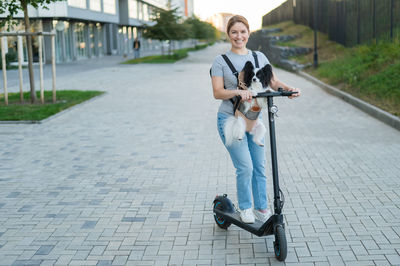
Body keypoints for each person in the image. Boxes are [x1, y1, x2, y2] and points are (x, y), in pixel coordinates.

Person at [210, 15, 301, 224]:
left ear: (248, 33)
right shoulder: (220, 61)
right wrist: (237, 92)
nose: (238, 36)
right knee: (246, 167)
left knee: (260, 167)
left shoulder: (260, 57)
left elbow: (274, 81)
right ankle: (245, 208)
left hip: (253, 120)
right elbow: (217, 92)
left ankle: (262, 208)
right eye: (234, 32)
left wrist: (289, 89)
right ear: (228, 35)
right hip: (230, 120)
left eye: (242, 32)